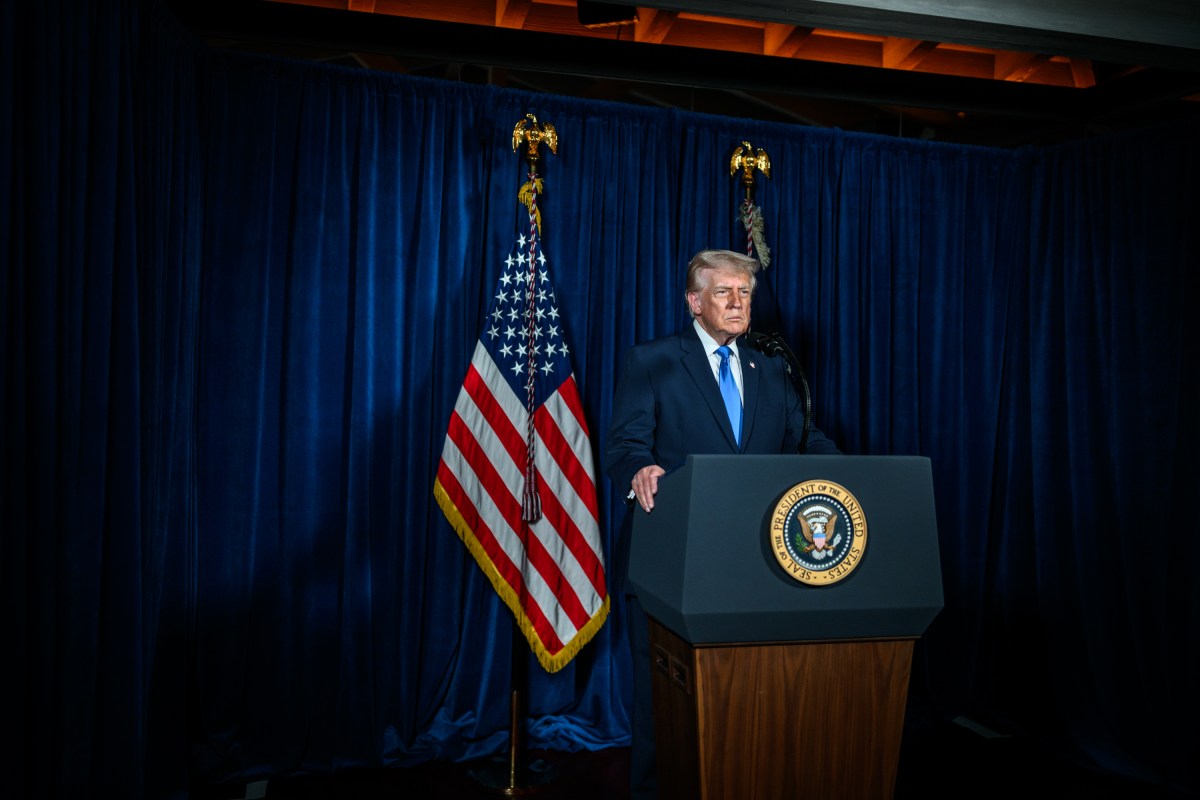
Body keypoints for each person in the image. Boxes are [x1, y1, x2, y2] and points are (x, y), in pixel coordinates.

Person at [603, 249, 841, 799]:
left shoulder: (772, 366)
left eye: (746, 294)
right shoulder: (653, 360)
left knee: (748, 696)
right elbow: (625, 446)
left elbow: (805, 442)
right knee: (664, 701)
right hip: (673, 559)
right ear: (694, 302)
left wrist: (850, 475)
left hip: (756, 561)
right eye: (724, 293)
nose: (739, 304)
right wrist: (641, 468)